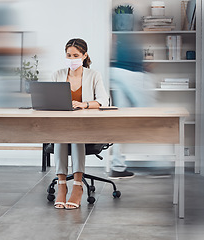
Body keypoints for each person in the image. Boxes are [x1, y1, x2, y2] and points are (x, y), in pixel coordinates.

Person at [51, 38, 108, 209]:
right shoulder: (58, 75)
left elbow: (104, 100)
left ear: (84, 56)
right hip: (62, 124)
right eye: (68, 55)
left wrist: (85, 104)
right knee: (62, 135)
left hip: (85, 126)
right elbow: (50, 99)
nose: (71, 59)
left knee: (75, 135)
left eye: (75, 55)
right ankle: (62, 185)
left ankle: (77, 186)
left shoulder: (93, 75)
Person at [108, 34, 156, 179]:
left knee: (120, 121)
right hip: (132, 72)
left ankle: (117, 166)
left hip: (116, 72)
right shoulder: (127, 28)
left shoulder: (117, 26)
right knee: (153, 116)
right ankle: (158, 164)